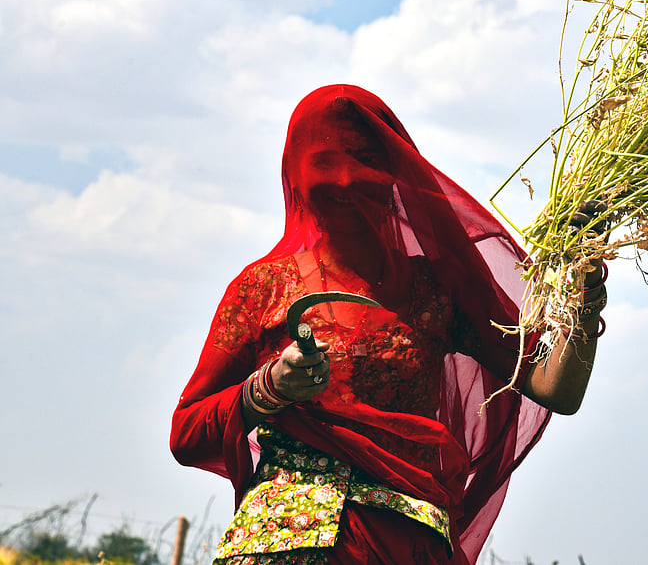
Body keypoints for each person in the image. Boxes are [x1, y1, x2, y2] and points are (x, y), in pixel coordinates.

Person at [170, 85, 609, 565]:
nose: (344, 181)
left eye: (362, 160)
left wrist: (582, 291)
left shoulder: (437, 289)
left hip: (404, 545)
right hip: (285, 547)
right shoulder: (262, 288)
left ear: (396, 171)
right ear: (295, 171)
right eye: (325, 162)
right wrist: (271, 387)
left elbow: (554, 388)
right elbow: (187, 433)